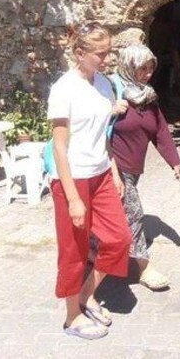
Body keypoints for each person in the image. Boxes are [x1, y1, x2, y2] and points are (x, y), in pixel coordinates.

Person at [47, 22, 132, 340]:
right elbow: (59, 146)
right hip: (73, 180)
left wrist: (113, 169)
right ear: (80, 53)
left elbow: (103, 134)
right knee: (74, 250)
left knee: (119, 239)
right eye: (101, 53)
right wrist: (72, 198)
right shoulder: (63, 89)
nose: (107, 59)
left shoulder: (105, 85)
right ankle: (71, 317)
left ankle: (86, 294)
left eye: (109, 52)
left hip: (100, 176)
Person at [110, 44, 180, 291]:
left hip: (133, 169)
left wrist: (174, 161)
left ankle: (98, 255)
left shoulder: (147, 96)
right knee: (134, 213)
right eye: (143, 68)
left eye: (151, 68)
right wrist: (110, 111)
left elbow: (160, 131)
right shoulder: (111, 92)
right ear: (129, 67)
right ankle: (144, 268)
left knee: (116, 215)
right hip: (113, 167)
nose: (148, 73)